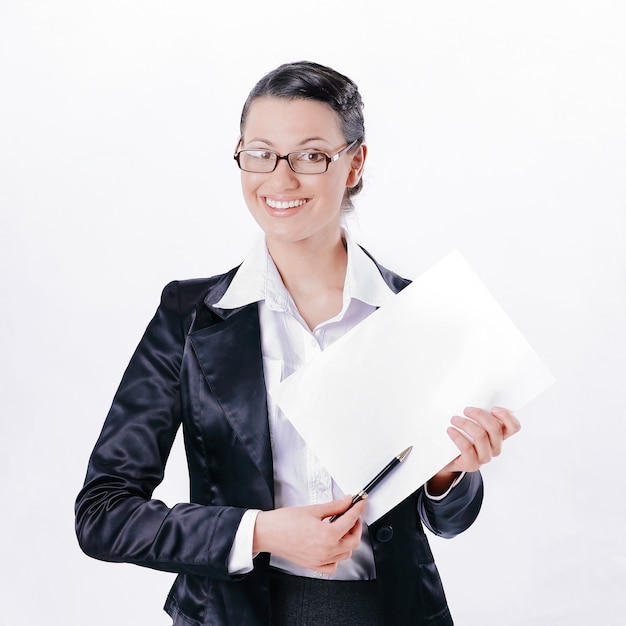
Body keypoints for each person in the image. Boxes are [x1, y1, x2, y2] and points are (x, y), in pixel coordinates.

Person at [75, 60, 521, 625]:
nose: (280, 180)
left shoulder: (417, 315)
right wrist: (257, 532)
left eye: (311, 156)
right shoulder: (189, 317)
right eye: (260, 153)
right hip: (231, 614)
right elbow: (103, 513)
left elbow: (449, 520)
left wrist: (447, 473)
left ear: (355, 162)